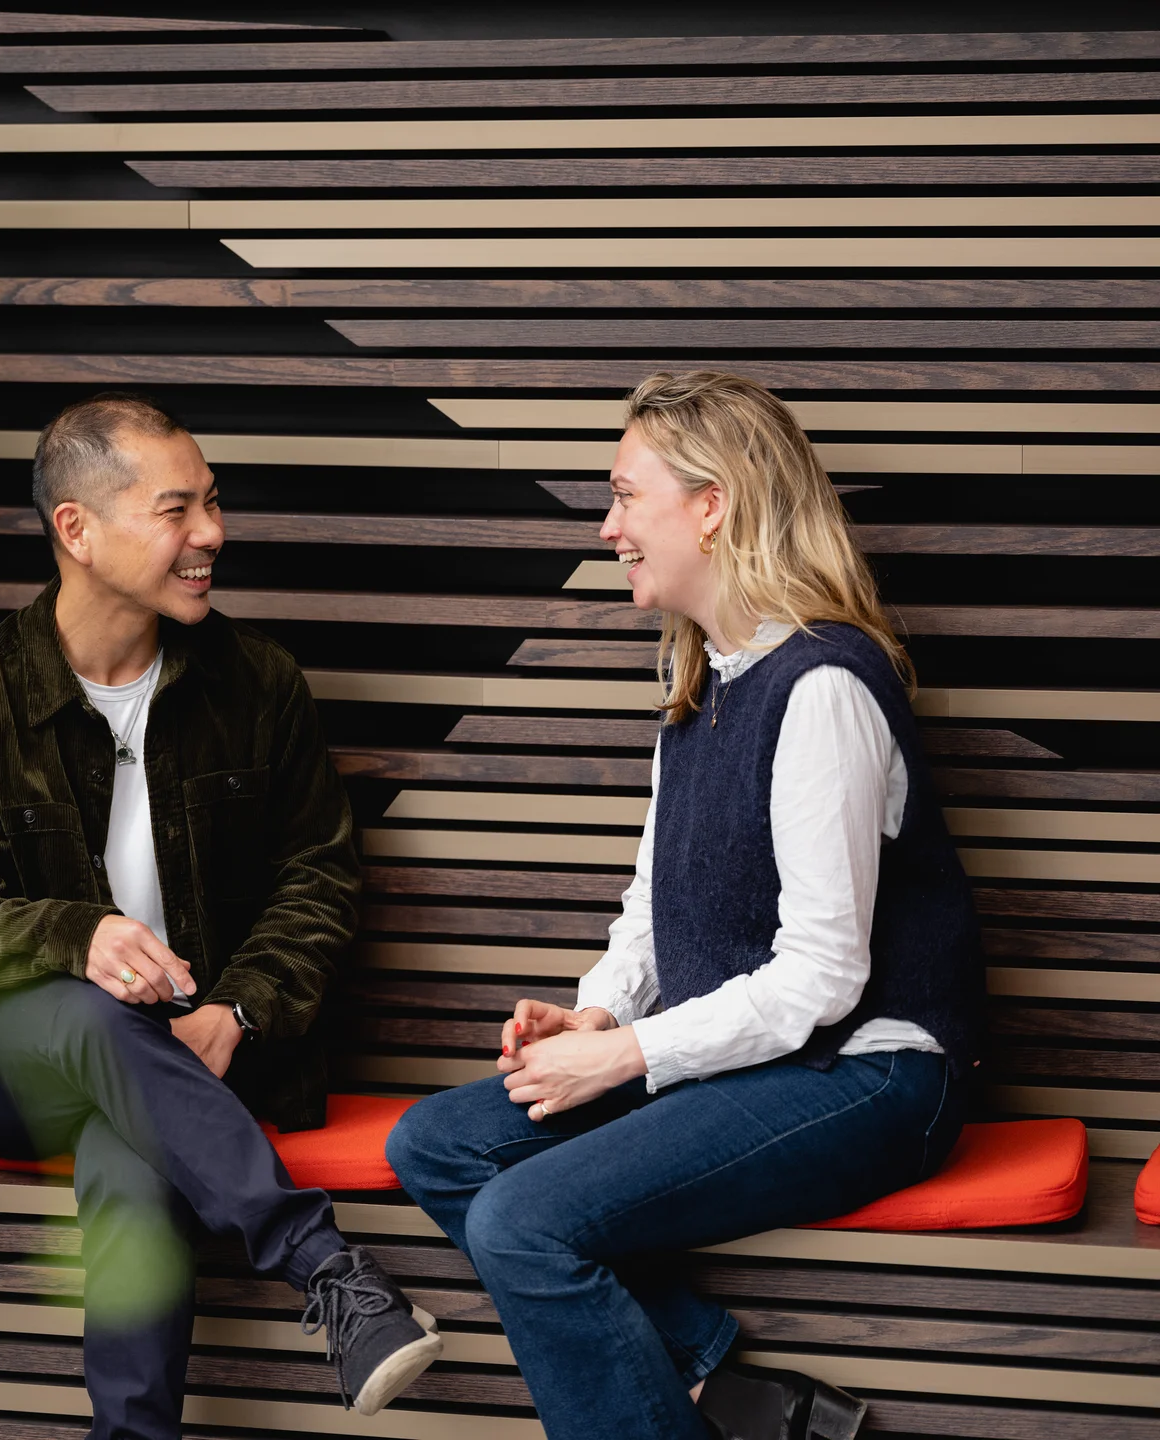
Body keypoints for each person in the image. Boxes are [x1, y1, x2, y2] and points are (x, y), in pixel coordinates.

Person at [386, 371, 985, 1440]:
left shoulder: (823, 686)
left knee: (522, 1222)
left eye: (624, 495)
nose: (609, 526)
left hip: (873, 1075)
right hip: (765, 1058)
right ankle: (711, 1380)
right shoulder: (701, 685)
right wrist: (601, 1015)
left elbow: (823, 978)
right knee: (437, 1144)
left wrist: (626, 1058)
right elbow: (654, 906)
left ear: (711, 505)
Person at [0, 393, 442, 1440]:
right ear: (76, 531)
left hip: (186, 1053)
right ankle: (322, 1264)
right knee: (95, 1027)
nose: (212, 536)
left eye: (214, 505)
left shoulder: (256, 682)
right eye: (178, 511)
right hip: (1, 1056)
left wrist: (239, 1010)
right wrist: (72, 937)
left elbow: (318, 877)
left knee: (126, 1136)